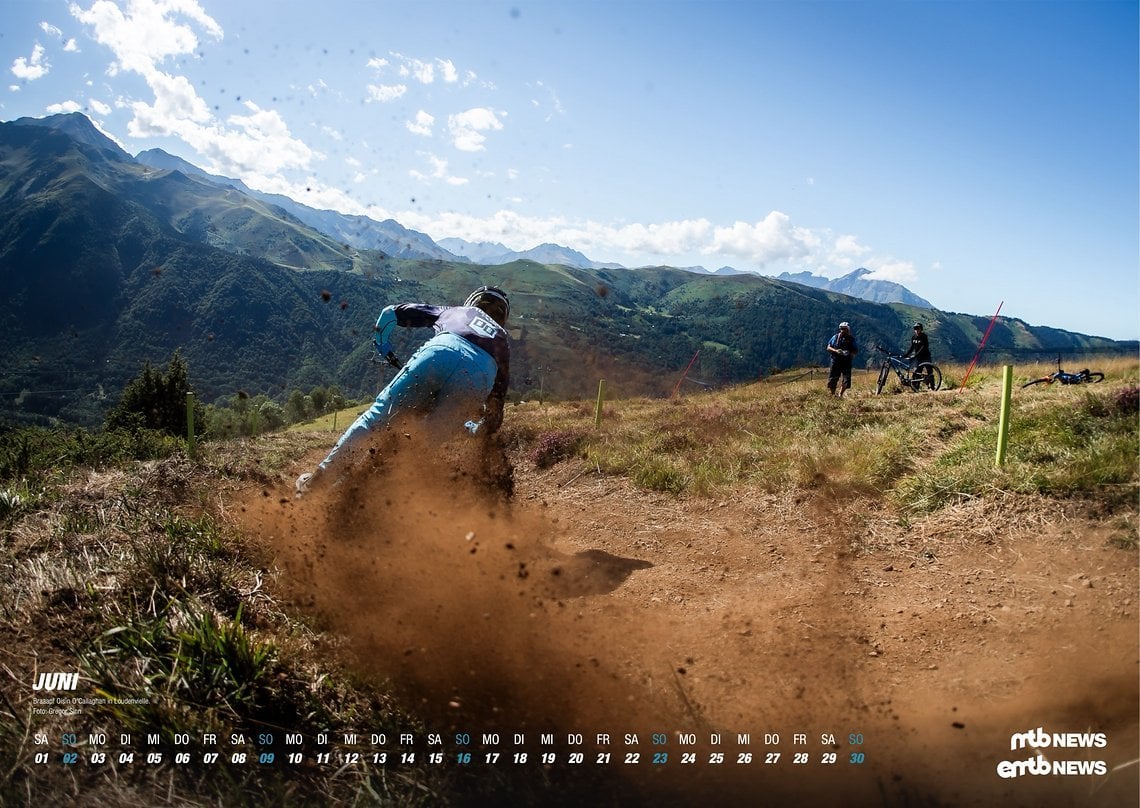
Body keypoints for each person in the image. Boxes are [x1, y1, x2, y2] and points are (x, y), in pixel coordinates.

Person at [296, 285, 511, 494]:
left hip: (440, 352)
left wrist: (383, 344)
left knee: (376, 419)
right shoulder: (502, 341)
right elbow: (494, 415)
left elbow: (389, 313)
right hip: (478, 377)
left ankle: (317, 483)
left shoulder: (456, 312)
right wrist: (473, 429)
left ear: (473, 301)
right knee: (421, 447)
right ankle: (367, 499)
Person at [825, 321, 858, 396]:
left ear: (848, 329)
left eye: (845, 329)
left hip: (846, 361)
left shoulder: (851, 339)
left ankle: (840, 394)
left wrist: (850, 355)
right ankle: (833, 394)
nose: (843, 330)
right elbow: (828, 347)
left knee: (846, 380)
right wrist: (836, 351)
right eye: (842, 329)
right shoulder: (835, 337)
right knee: (833, 378)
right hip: (835, 361)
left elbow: (855, 350)